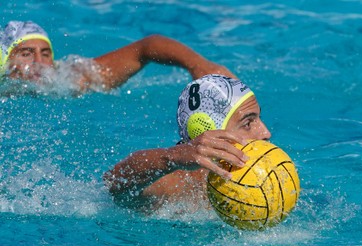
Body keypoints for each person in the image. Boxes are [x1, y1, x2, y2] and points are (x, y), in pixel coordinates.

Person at [103, 74, 272, 211]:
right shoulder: (177, 187)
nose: (266, 133)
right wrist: (171, 157)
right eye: (248, 123)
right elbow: (114, 184)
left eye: (260, 118)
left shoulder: (266, 174)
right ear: (208, 132)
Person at [0, 21, 234, 93]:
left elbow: (146, 47)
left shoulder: (72, 79)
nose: (40, 64)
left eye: (46, 53)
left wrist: (199, 65)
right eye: (26, 53)